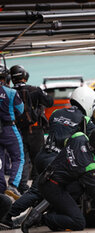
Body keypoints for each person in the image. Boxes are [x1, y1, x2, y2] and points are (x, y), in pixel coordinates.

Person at [0, 86, 95, 229]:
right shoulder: (84, 120)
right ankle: (9, 216)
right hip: (55, 160)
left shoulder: (57, 113)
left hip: (43, 155)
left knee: (39, 189)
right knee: (39, 191)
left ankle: (15, 215)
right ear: (88, 102)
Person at [21, 126, 95, 233]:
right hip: (53, 187)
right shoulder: (89, 166)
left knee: (79, 185)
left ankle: (54, 213)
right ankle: (40, 219)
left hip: (45, 177)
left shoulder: (79, 137)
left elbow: (66, 143)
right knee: (79, 222)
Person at [10, 65, 54, 194]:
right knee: (38, 159)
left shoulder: (10, 92)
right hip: (36, 130)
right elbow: (50, 102)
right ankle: (36, 185)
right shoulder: (35, 90)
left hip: (17, 130)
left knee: (21, 159)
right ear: (25, 76)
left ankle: (22, 186)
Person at [0, 64, 25, 200]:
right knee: (18, 157)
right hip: (8, 128)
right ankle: (13, 185)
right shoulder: (11, 92)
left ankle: (0, 187)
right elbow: (20, 110)